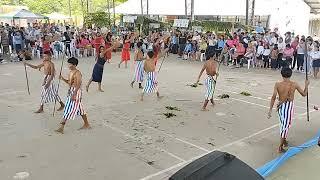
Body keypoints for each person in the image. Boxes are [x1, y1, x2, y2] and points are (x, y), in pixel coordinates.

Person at [268, 67, 309, 153]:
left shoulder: (277, 84)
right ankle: (280, 146)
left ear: (282, 75)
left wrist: (270, 110)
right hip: (288, 106)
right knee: (285, 126)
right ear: (291, 75)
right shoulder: (294, 84)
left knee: (283, 124)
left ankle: (284, 140)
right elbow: (304, 94)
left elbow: (273, 97)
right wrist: (306, 85)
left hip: (280, 106)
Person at [55, 57, 91, 134]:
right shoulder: (71, 72)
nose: (68, 65)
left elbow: (78, 84)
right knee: (80, 109)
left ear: (74, 65)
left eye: (70, 64)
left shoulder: (78, 73)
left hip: (76, 92)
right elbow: (69, 82)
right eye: (68, 63)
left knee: (68, 108)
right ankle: (87, 124)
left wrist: (74, 94)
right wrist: (62, 79)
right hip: (71, 91)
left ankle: (61, 127)